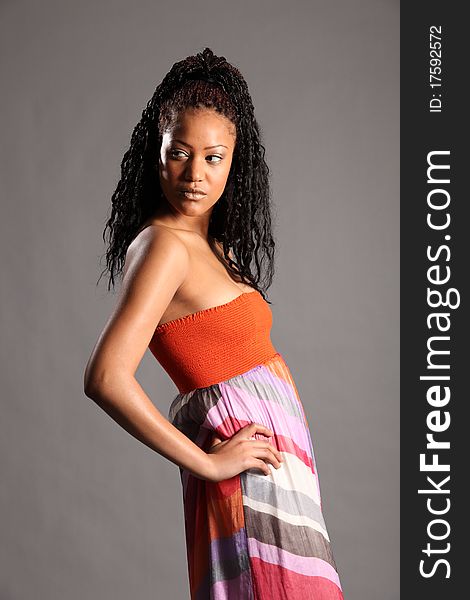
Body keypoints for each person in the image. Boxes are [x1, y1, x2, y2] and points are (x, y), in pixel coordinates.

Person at [84, 47, 344, 600]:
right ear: (156, 150)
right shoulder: (163, 247)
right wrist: (206, 462)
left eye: (214, 157)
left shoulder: (207, 242)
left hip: (277, 481)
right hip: (243, 486)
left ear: (234, 162)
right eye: (180, 153)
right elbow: (105, 377)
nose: (195, 175)